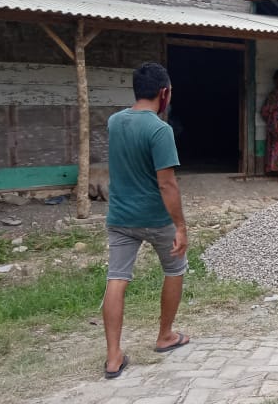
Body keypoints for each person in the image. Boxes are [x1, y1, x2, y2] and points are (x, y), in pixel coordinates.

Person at [102, 62, 191, 380]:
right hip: (156, 218)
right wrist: (180, 226)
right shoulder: (159, 129)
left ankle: (113, 357)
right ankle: (165, 335)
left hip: (120, 217)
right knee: (175, 268)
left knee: (117, 279)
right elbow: (167, 184)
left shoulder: (114, 122)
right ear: (163, 93)